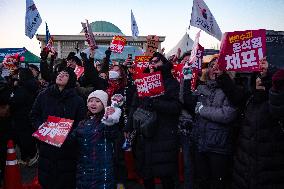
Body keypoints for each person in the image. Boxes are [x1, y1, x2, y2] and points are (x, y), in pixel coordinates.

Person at [125, 52, 182, 189]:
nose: (153, 64)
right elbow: (134, 106)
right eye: (151, 62)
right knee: (146, 173)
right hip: (144, 134)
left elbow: (176, 107)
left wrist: (154, 103)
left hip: (164, 135)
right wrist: (128, 127)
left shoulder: (171, 83)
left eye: (156, 61)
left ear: (164, 63)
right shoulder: (143, 81)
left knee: (165, 174)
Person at [31, 67, 86, 189]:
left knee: (65, 181)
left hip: (67, 149)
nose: (60, 76)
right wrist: (41, 128)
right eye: (59, 74)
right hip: (46, 146)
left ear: (71, 79)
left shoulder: (78, 100)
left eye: (65, 74)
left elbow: (81, 123)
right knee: (46, 180)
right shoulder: (43, 95)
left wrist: (70, 137)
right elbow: (34, 115)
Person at [188, 58, 238, 189]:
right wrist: (185, 79)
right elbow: (187, 102)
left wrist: (202, 110)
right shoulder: (201, 87)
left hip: (218, 146)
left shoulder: (231, 89)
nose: (214, 69)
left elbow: (227, 115)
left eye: (218, 66)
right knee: (202, 181)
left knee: (218, 183)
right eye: (211, 65)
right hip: (200, 143)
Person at [232, 66, 284, 189]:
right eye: (257, 76)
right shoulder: (250, 100)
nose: (259, 80)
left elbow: (278, 107)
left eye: (262, 77)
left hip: (269, 173)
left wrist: (269, 79)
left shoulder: (274, 102)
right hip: (244, 170)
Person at [71, 90, 121, 189]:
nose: (93, 104)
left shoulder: (107, 121)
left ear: (104, 104)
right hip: (83, 169)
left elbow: (113, 134)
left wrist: (110, 122)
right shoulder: (82, 122)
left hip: (102, 170)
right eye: (91, 101)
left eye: (97, 101)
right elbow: (73, 138)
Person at [10, 68, 39, 166]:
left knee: (23, 139)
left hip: (21, 116)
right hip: (28, 116)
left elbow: (15, 100)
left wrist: (14, 89)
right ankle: (27, 157)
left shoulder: (22, 88)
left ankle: (31, 156)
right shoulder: (33, 85)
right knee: (26, 138)